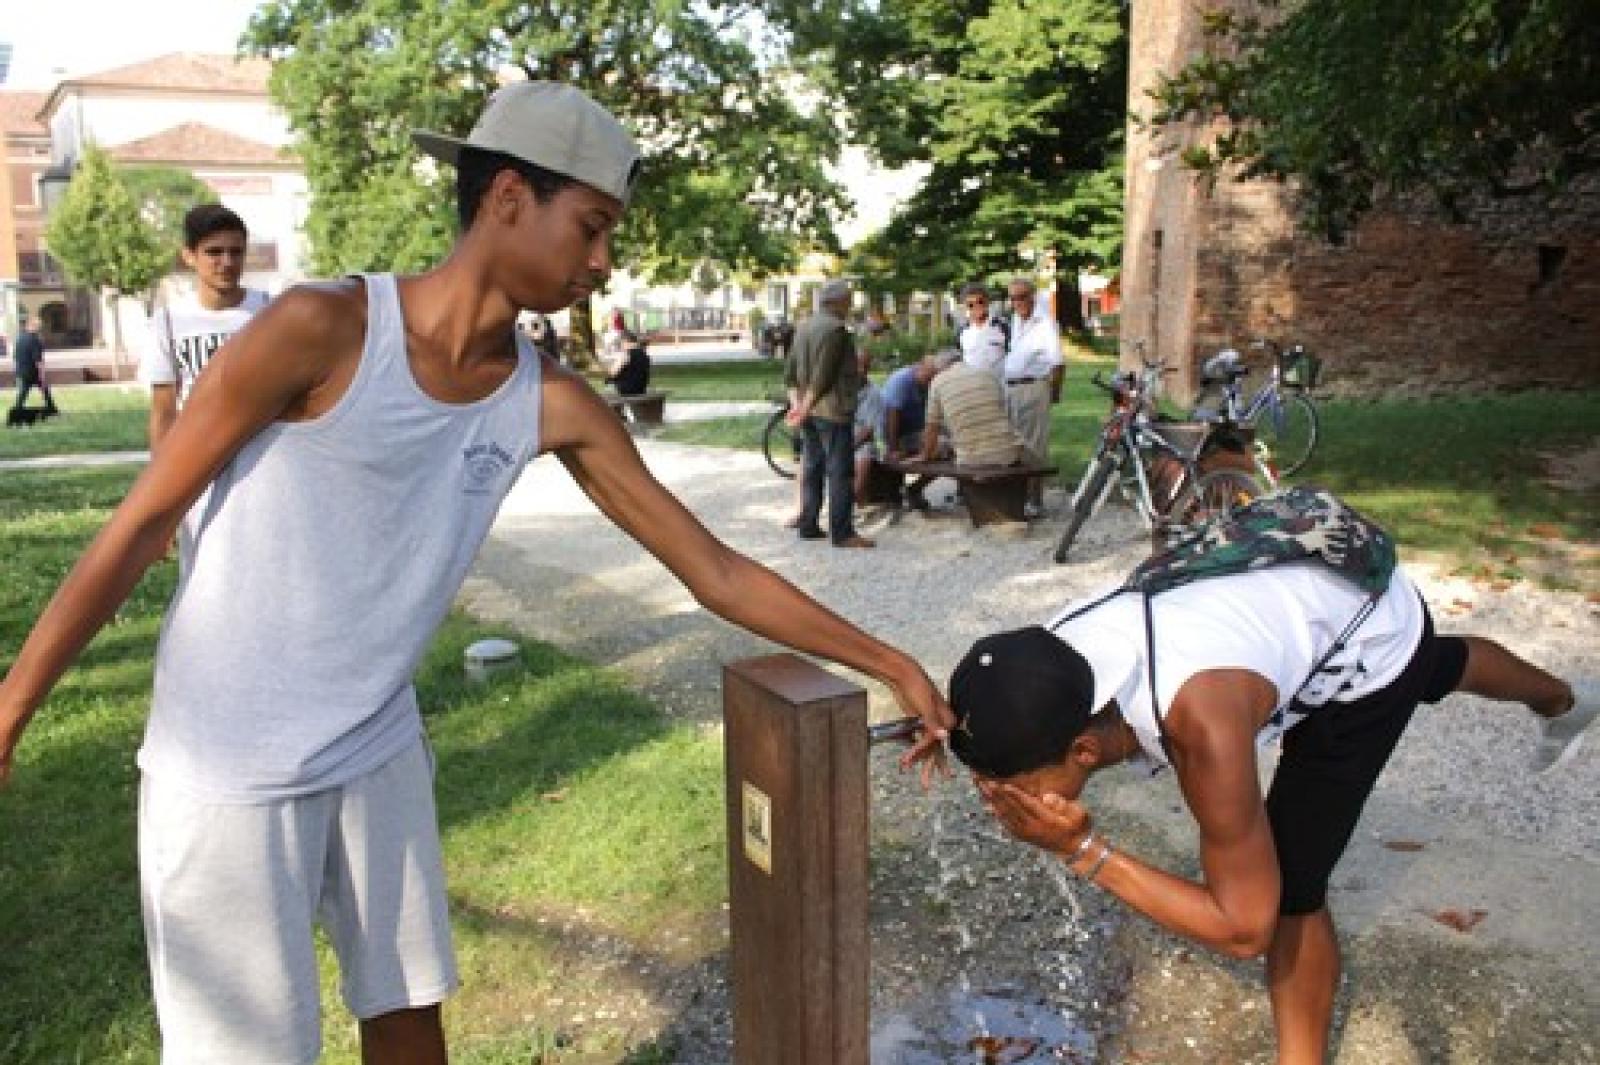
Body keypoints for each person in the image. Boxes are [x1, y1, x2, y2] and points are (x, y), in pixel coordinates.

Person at [0, 82, 951, 1065]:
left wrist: (890, 660)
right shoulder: (318, 330)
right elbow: (145, 514)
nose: (602, 262)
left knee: (410, 1016)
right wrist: (12, 708)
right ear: (506, 197)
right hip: (227, 762)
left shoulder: (549, 402)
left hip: (374, 744)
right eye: (589, 227)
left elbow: (711, 569)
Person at [948, 554, 1596, 1065]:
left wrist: (1083, 850)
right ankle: (1564, 700)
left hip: (1366, 634)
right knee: (1436, 662)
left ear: (1084, 747)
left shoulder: (1202, 725)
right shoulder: (1050, 659)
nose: (1001, 800)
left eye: (1010, 785)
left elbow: (1242, 929)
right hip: (1312, 587)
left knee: (1291, 886)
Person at [140, 204, 271, 455]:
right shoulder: (168, 321)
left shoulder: (270, 311)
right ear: (189, 256)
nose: (227, 262)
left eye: (236, 252)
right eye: (214, 252)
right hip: (198, 454)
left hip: (260, 452)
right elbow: (164, 411)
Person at [785, 278, 874, 548]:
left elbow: (789, 373)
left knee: (811, 466)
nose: (850, 305)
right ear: (839, 302)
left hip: (809, 411)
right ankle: (843, 532)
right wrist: (807, 406)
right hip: (832, 410)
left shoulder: (804, 327)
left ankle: (808, 523)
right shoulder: (836, 331)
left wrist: (798, 407)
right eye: (848, 300)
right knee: (839, 471)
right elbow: (823, 377)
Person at [1001, 277, 1064, 518]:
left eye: (1021, 296)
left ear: (1032, 296)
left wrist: (1054, 393)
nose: (1017, 302)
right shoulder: (1017, 321)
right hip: (1012, 388)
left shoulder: (1045, 324)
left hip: (1033, 387)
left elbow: (1058, 363)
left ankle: (1035, 500)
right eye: (1013, 297)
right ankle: (1020, 495)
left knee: (1034, 446)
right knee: (1014, 443)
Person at [917, 348, 1025, 468]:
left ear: (941, 367)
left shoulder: (938, 382)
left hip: (971, 460)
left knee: (951, 449)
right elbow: (1003, 411)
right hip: (1009, 454)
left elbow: (932, 428)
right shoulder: (986, 374)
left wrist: (924, 456)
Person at [879, 353, 952, 510]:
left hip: (917, 432)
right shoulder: (902, 380)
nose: (932, 381)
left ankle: (915, 488)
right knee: (943, 447)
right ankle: (904, 492)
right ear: (920, 367)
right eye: (930, 376)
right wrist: (893, 449)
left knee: (951, 447)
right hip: (897, 434)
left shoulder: (929, 382)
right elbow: (892, 416)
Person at [851, 345, 885, 507]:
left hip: (861, 442)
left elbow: (869, 430)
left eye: (865, 366)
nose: (861, 370)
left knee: (864, 459)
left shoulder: (874, 394)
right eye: (858, 365)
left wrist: (848, 447)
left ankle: (857, 504)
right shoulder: (840, 389)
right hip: (840, 438)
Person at [956, 282, 1008, 379]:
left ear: (987, 302)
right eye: (970, 304)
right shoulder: (962, 331)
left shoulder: (1002, 327)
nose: (976, 306)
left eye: (980, 301)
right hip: (973, 386)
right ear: (965, 306)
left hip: (999, 386)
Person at [10, 319, 56, 416]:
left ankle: (17, 410)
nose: (40, 329)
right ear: (36, 327)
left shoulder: (19, 339)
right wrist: (42, 376)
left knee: (23, 393)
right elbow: (38, 361)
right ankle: (51, 408)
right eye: (39, 327)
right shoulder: (35, 340)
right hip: (32, 372)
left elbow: (15, 357)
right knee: (43, 388)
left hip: (21, 371)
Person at [604, 327, 651, 396]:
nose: (620, 346)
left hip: (626, 390)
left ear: (625, 341)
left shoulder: (625, 354)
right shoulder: (644, 354)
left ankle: (612, 407)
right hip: (641, 389)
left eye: (620, 343)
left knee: (607, 387)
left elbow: (613, 372)